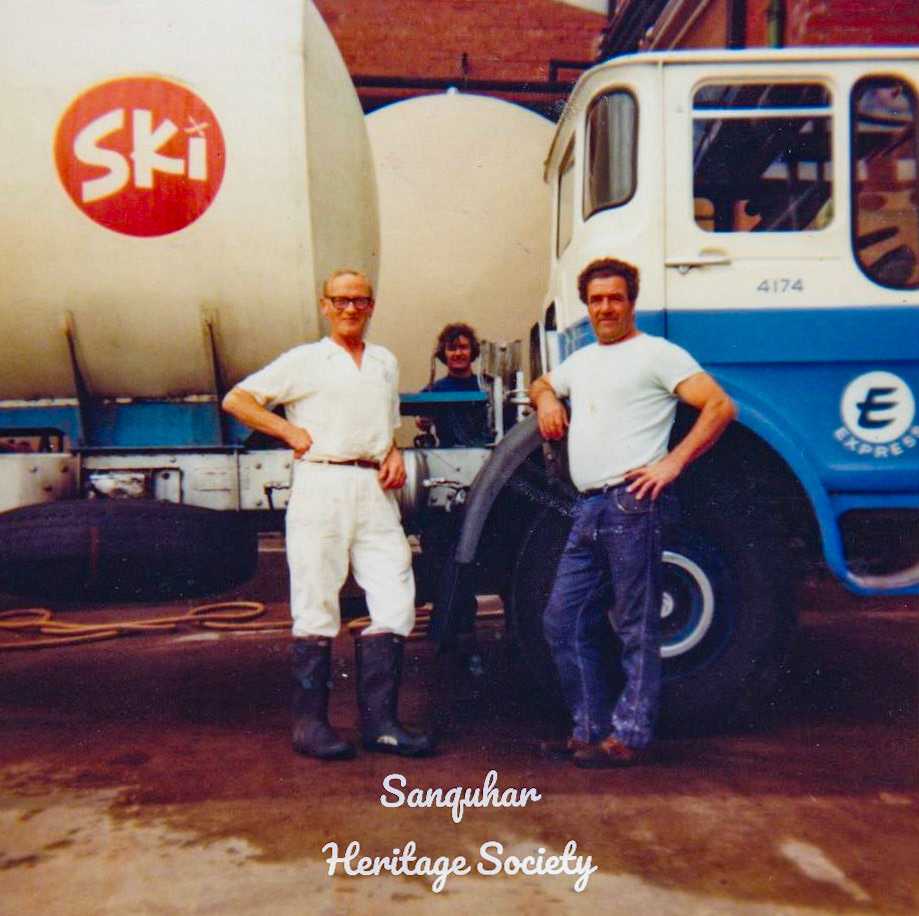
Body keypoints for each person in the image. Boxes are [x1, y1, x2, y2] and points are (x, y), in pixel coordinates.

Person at [529, 257, 736, 768]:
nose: (605, 308)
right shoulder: (583, 360)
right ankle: (590, 730)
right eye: (596, 300)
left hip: (633, 504)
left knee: (635, 624)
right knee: (562, 619)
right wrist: (547, 401)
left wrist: (671, 464)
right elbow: (541, 383)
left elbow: (719, 407)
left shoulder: (658, 354)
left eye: (615, 298)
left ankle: (631, 735)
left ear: (631, 302)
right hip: (589, 508)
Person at [221, 269, 434, 761]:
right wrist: (287, 431)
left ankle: (381, 725)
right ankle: (311, 727)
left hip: (374, 488)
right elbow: (238, 399)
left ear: (372, 306)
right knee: (317, 599)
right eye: (340, 300)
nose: (350, 309)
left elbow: (383, 421)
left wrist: (394, 451)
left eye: (359, 301)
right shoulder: (306, 360)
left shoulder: (384, 361)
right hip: (321, 483)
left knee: (395, 593)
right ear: (325, 306)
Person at [417, 323, 491, 448]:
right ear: (443, 353)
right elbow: (419, 416)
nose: (458, 353)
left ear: (472, 351)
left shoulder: (487, 386)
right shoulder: (434, 390)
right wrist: (421, 420)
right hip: (448, 458)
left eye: (463, 347)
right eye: (452, 348)